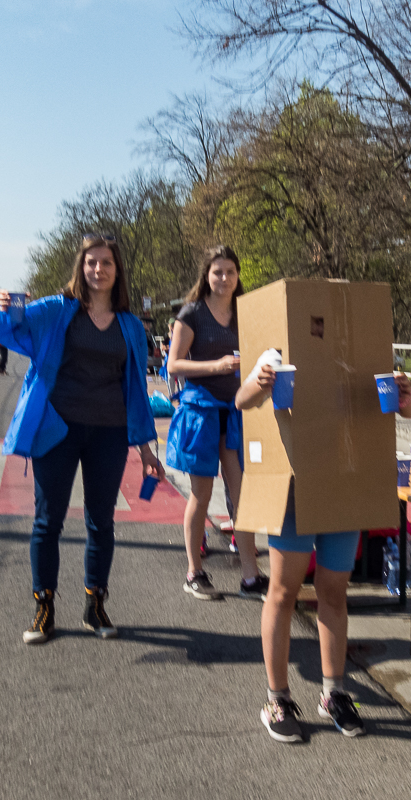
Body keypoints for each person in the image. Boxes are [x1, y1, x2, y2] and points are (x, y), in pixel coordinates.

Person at [235, 360, 411, 742]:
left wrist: (407, 395)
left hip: (344, 484)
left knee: (334, 593)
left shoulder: (356, 343)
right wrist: (261, 381)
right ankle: (277, 699)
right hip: (294, 485)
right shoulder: (278, 345)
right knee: (284, 591)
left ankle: (334, 692)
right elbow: (241, 399)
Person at [0, 234, 165, 644]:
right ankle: (43, 607)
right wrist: (8, 310)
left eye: (106, 263)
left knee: (101, 522)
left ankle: (95, 603)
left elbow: (136, 391)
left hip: (110, 432)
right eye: (91, 263)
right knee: (47, 521)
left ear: (117, 270)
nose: (98, 270)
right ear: (81, 268)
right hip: (58, 429)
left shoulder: (130, 325)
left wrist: (145, 447)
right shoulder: (57, 309)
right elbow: (14, 334)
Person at [165, 245, 267, 602]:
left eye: (230, 272)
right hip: (201, 412)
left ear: (239, 276)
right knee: (202, 494)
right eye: (217, 272)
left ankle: (251, 576)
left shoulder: (246, 313)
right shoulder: (191, 313)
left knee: (243, 496)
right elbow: (174, 365)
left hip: (236, 411)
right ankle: (195, 572)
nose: (224, 278)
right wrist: (216, 366)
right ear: (206, 276)